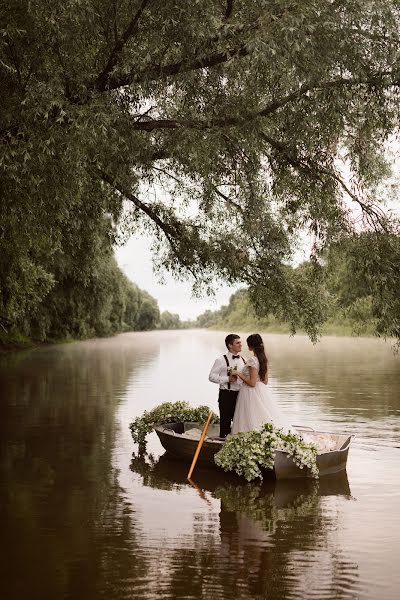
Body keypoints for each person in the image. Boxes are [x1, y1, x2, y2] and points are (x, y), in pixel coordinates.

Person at [231, 333, 296, 435]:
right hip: (261, 391)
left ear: (251, 346)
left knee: (250, 416)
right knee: (262, 415)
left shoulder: (253, 360)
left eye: (248, 344)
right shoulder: (263, 359)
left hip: (250, 392)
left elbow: (252, 383)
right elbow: (265, 382)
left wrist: (238, 374)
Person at [208, 334, 247, 438]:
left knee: (240, 423)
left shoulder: (243, 360)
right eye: (237, 343)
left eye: (240, 342)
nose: (240, 344)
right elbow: (211, 377)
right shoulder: (221, 360)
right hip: (226, 395)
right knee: (225, 424)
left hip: (241, 395)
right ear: (230, 345)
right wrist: (227, 379)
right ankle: (223, 448)